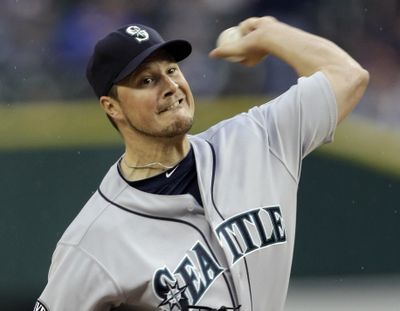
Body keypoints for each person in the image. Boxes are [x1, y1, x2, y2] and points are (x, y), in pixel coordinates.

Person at [34, 16, 369, 311]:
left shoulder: (257, 139)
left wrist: (271, 33)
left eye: (172, 70)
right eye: (146, 81)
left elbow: (348, 76)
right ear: (112, 107)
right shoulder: (92, 242)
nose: (170, 86)